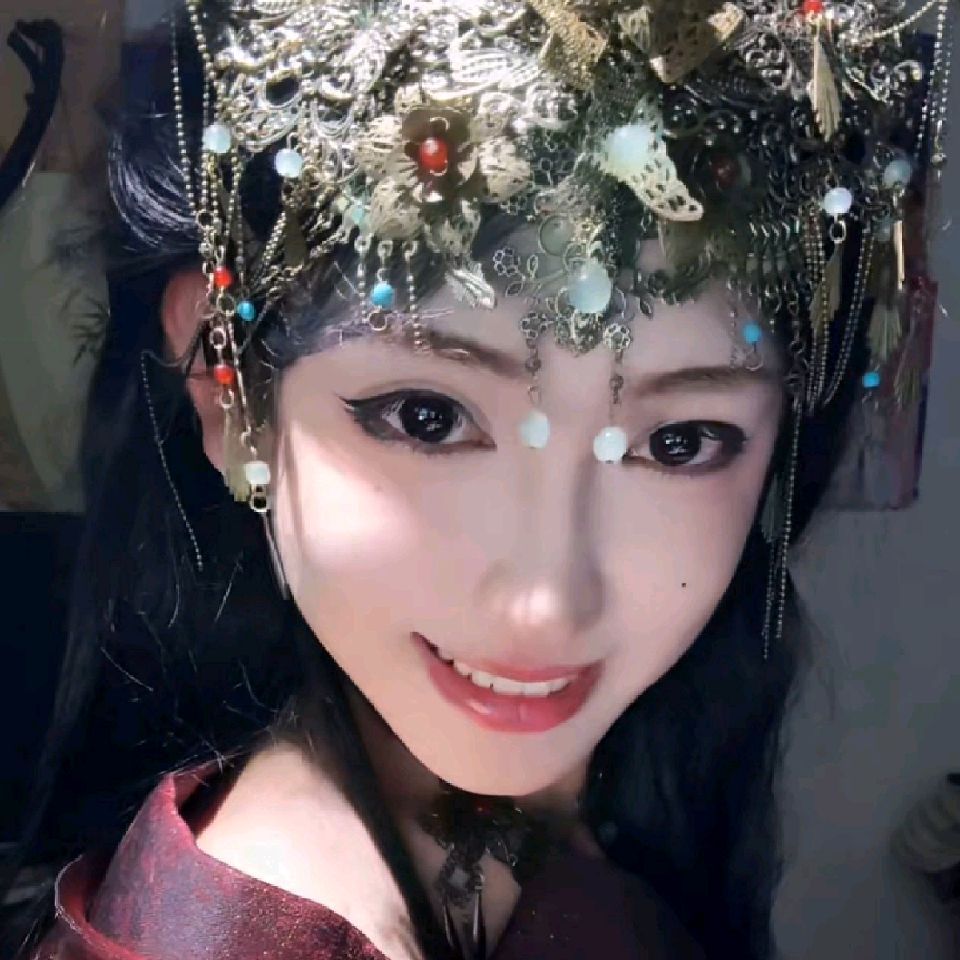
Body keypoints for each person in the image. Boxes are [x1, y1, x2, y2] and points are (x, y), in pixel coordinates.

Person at [0, 0, 949, 958]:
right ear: (228, 383)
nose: (546, 604)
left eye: (680, 442)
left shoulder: (598, 789)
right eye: (429, 417)